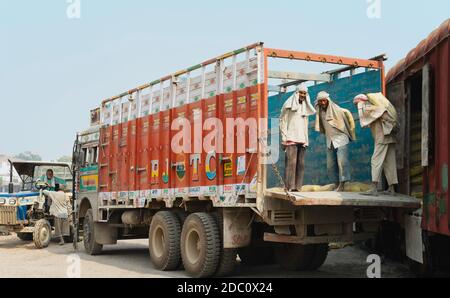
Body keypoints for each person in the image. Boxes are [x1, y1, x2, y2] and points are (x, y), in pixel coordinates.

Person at [353, 93, 399, 196]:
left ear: (360, 102)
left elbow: (383, 114)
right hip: (389, 136)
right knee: (389, 162)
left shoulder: (369, 108)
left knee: (375, 161)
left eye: (356, 105)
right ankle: (392, 189)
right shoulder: (375, 108)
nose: (357, 107)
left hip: (383, 138)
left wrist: (388, 122)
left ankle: (374, 188)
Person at [315, 91, 356, 192]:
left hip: (341, 139)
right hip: (330, 140)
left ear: (328, 101)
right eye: (321, 101)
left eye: (324, 101)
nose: (323, 103)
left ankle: (342, 185)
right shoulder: (320, 111)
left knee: (342, 162)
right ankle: (336, 184)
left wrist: (350, 132)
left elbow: (346, 116)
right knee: (330, 165)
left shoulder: (336, 109)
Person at [280, 83, 316, 192]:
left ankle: (298, 187)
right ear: (296, 93)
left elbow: (305, 125)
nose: (303, 95)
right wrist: (284, 137)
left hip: (302, 139)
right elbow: (283, 121)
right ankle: (289, 187)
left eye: (305, 93)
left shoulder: (305, 106)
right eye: (301, 93)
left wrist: (306, 139)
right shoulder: (288, 104)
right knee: (291, 163)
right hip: (291, 137)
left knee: (301, 164)